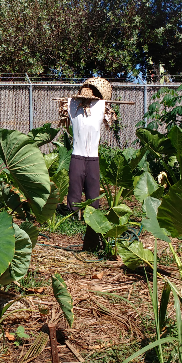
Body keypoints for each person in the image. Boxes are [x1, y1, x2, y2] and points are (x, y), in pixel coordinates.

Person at [58, 77, 115, 250]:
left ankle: (92, 221)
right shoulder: (71, 105)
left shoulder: (101, 107)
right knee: (74, 189)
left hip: (93, 157)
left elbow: (110, 121)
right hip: (77, 154)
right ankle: (73, 218)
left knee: (93, 190)